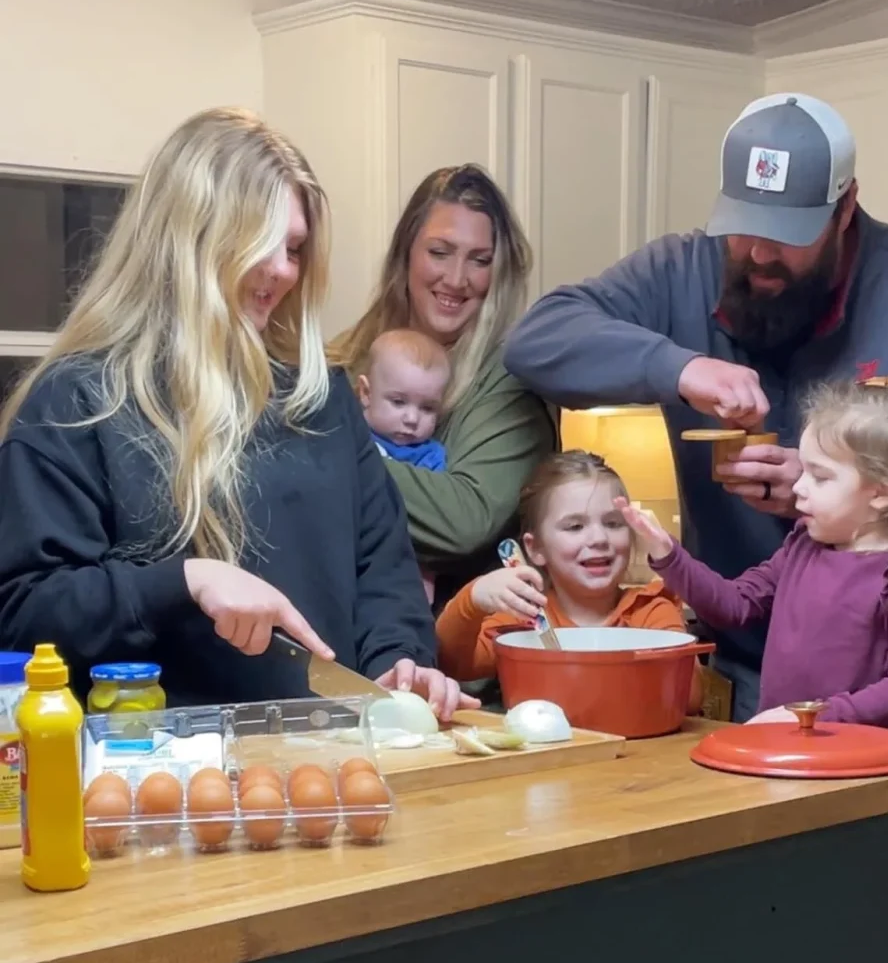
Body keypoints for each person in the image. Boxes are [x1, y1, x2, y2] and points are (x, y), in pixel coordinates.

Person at [0, 107, 478, 721]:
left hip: (335, 759)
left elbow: (383, 573)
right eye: (262, 244)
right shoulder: (78, 402)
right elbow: (25, 615)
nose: (283, 270)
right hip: (156, 775)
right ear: (188, 239)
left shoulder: (322, 398)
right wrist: (186, 581)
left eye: (296, 248)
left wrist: (400, 660)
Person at [503, 91, 888, 721]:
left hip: (880, 693)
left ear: (846, 206)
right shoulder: (680, 267)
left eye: (788, 235)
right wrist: (679, 367)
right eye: (743, 226)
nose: (759, 255)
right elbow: (536, 341)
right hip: (738, 658)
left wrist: (841, 489)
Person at [327, 163, 558, 616]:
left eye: (479, 260)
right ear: (406, 254)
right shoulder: (342, 358)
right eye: (439, 251)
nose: (456, 279)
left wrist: (331, 457)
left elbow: (464, 520)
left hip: (463, 661)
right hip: (349, 646)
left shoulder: (511, 379)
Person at [617, 380, 888, 728]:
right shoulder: (802, 545)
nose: (799, 488)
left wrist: (812, 718)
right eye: (803, 470)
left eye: (820, 477)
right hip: (779, 750)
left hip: (855, 765)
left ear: (880, 494)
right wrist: (667, 554)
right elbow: (733, 604)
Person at [436, 450, 703, 714]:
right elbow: (453, 663)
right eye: (575, 527)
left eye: (613, 523)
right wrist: (472, 599)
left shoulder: (652, 611)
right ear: (536, 548)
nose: (599, 538)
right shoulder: (522, 617)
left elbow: (687, 697)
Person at [357, 327, 450, 601]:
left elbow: (433, 524)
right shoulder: (349, 435)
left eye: (427, 408)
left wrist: (425, 574)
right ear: (365, 393)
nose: (411, 418)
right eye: (398, 402)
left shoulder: (431, 457)